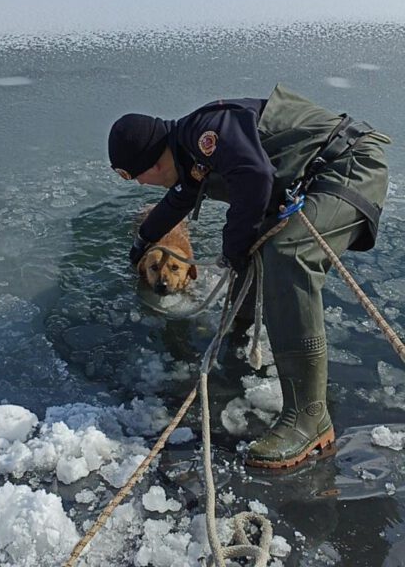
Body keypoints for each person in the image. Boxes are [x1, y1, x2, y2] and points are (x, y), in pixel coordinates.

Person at [107, 83, 390, 469]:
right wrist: (142, 242)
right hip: (321, 174)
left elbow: (256, 176)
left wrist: (232, 246)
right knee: (255, 244)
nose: (141, 185)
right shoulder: (190, 154)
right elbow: (177, 201)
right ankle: (240, 333)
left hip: (348, 167)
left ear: (152, 164)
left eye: (134, 177)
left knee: (286, 252)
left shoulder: (204, 133)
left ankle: (309, 417)